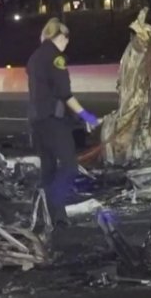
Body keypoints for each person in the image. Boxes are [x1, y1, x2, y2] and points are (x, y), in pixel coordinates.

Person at [27, 18, 99, 228]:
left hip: (36, 121)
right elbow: (65, 94)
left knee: (48, 168)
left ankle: (53, 216)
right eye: (67, 39)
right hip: (53, 121)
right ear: (60, 36)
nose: (67, 44)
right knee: (69, 167)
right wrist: (87, 117)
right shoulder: (56, 58)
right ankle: (54, 203)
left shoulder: (34, 57)